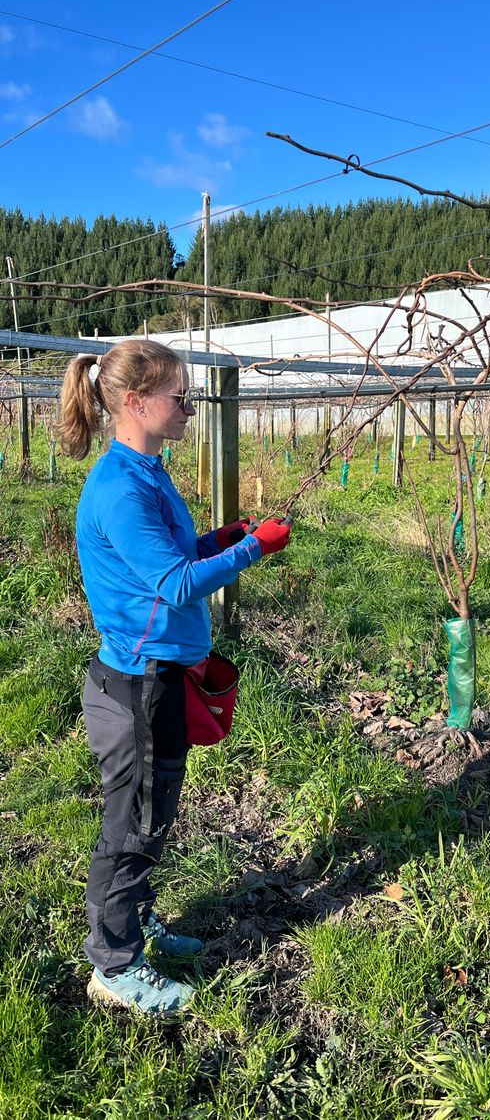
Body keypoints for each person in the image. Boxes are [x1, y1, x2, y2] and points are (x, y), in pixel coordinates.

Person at [58, 338, 292, 1017]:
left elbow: (178, 556)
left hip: (160, 675)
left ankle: (135, 917)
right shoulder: (120, 489)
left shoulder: (148, 471)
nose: (190, 406)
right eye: (180, 396)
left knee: (151, 819)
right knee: (133, 825)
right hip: (139, 686)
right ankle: (114, 962)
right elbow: (174, 582)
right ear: (135, 402)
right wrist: (253, 550)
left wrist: (220, 540)